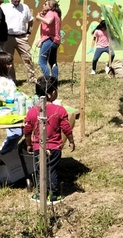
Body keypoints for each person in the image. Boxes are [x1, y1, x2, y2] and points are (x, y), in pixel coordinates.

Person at [23, 76, 75, 204]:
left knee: (40, 169)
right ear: (53, 93)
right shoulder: (59, 110)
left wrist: (28, 144)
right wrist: (71, 141)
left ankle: (40, 193)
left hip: (38, 147)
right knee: (51, 169)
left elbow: (27, 131)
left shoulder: (32, 112)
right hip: (54, 148)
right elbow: (66, 128)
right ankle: (53, 194)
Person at [0, 52, 22, 153]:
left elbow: (15, 91)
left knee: (23, 129)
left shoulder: (8, 77)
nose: (10, 66)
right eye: (8, 64)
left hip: (14, 107)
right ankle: (4, 151)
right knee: (17, 132)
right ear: (0, 65)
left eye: (11, 63)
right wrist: (8, 101)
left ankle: (10, 150)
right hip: (3, 109)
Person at [2, 0, 36, 83]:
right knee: (8, 59)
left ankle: (31, 78)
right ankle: (11, 79)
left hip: (22, 37)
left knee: (27, 57)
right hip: (8, 37)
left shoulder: (25, 7)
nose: (18, 0)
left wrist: (29, 32)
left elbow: (30, 20)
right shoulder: (5, 8)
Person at [35, 0, 62, 79]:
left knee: (42, 61)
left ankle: (47, 80)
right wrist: (42, 17)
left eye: (46, 4)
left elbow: (49, 21)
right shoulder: (56, 14)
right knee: (52, 62)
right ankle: (54, 80)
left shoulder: (50, 12)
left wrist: (39, 17)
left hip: (49, 40)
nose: (43, 5)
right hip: (55, 41)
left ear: (51, 6)